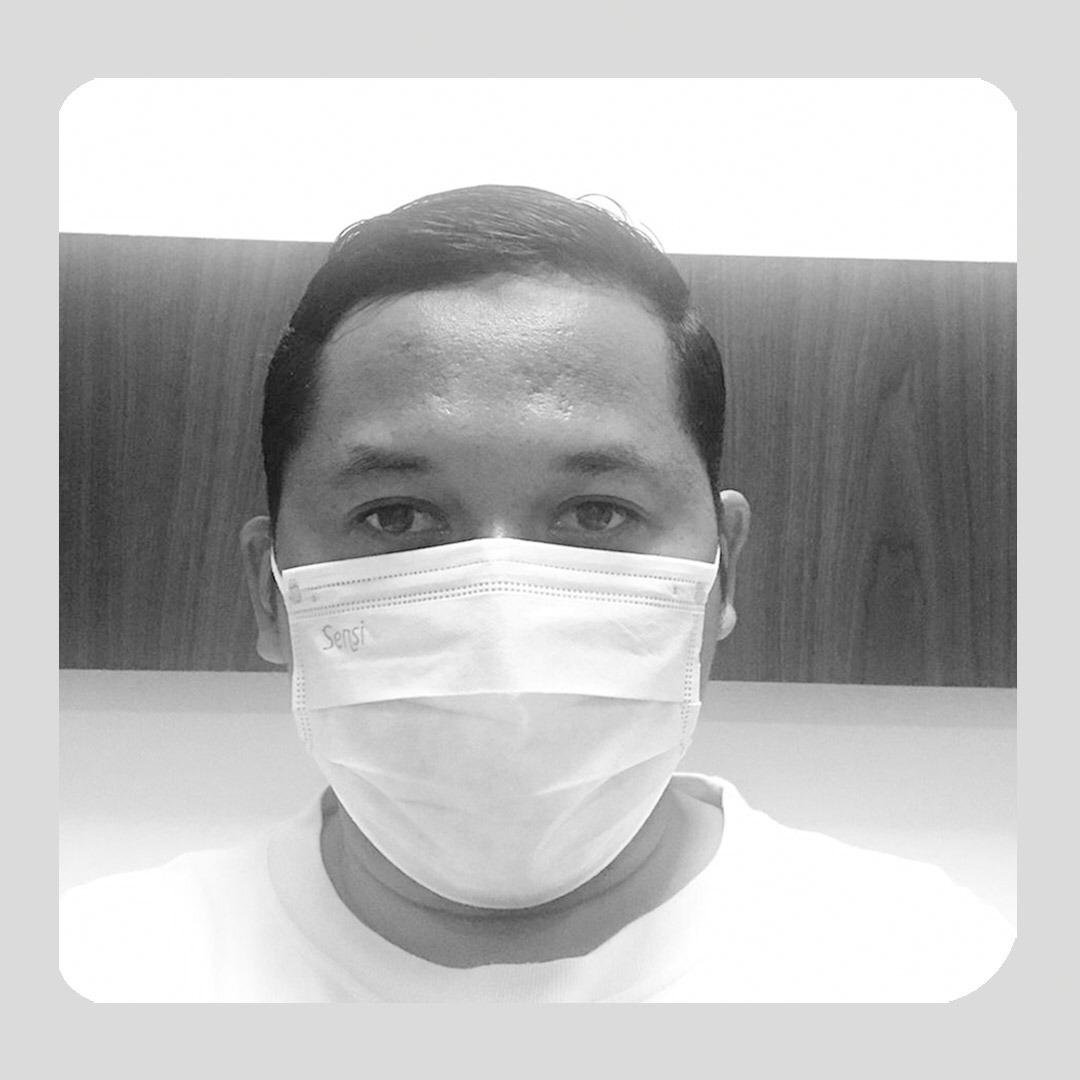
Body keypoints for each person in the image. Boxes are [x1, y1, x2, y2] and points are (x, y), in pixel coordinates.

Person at [60, 185, 1014, 1002]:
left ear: (723, 568)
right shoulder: (95, 975)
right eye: (396, 516)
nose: (500, 623)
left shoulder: (936, 975)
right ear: (270, 594)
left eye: (597, 513)